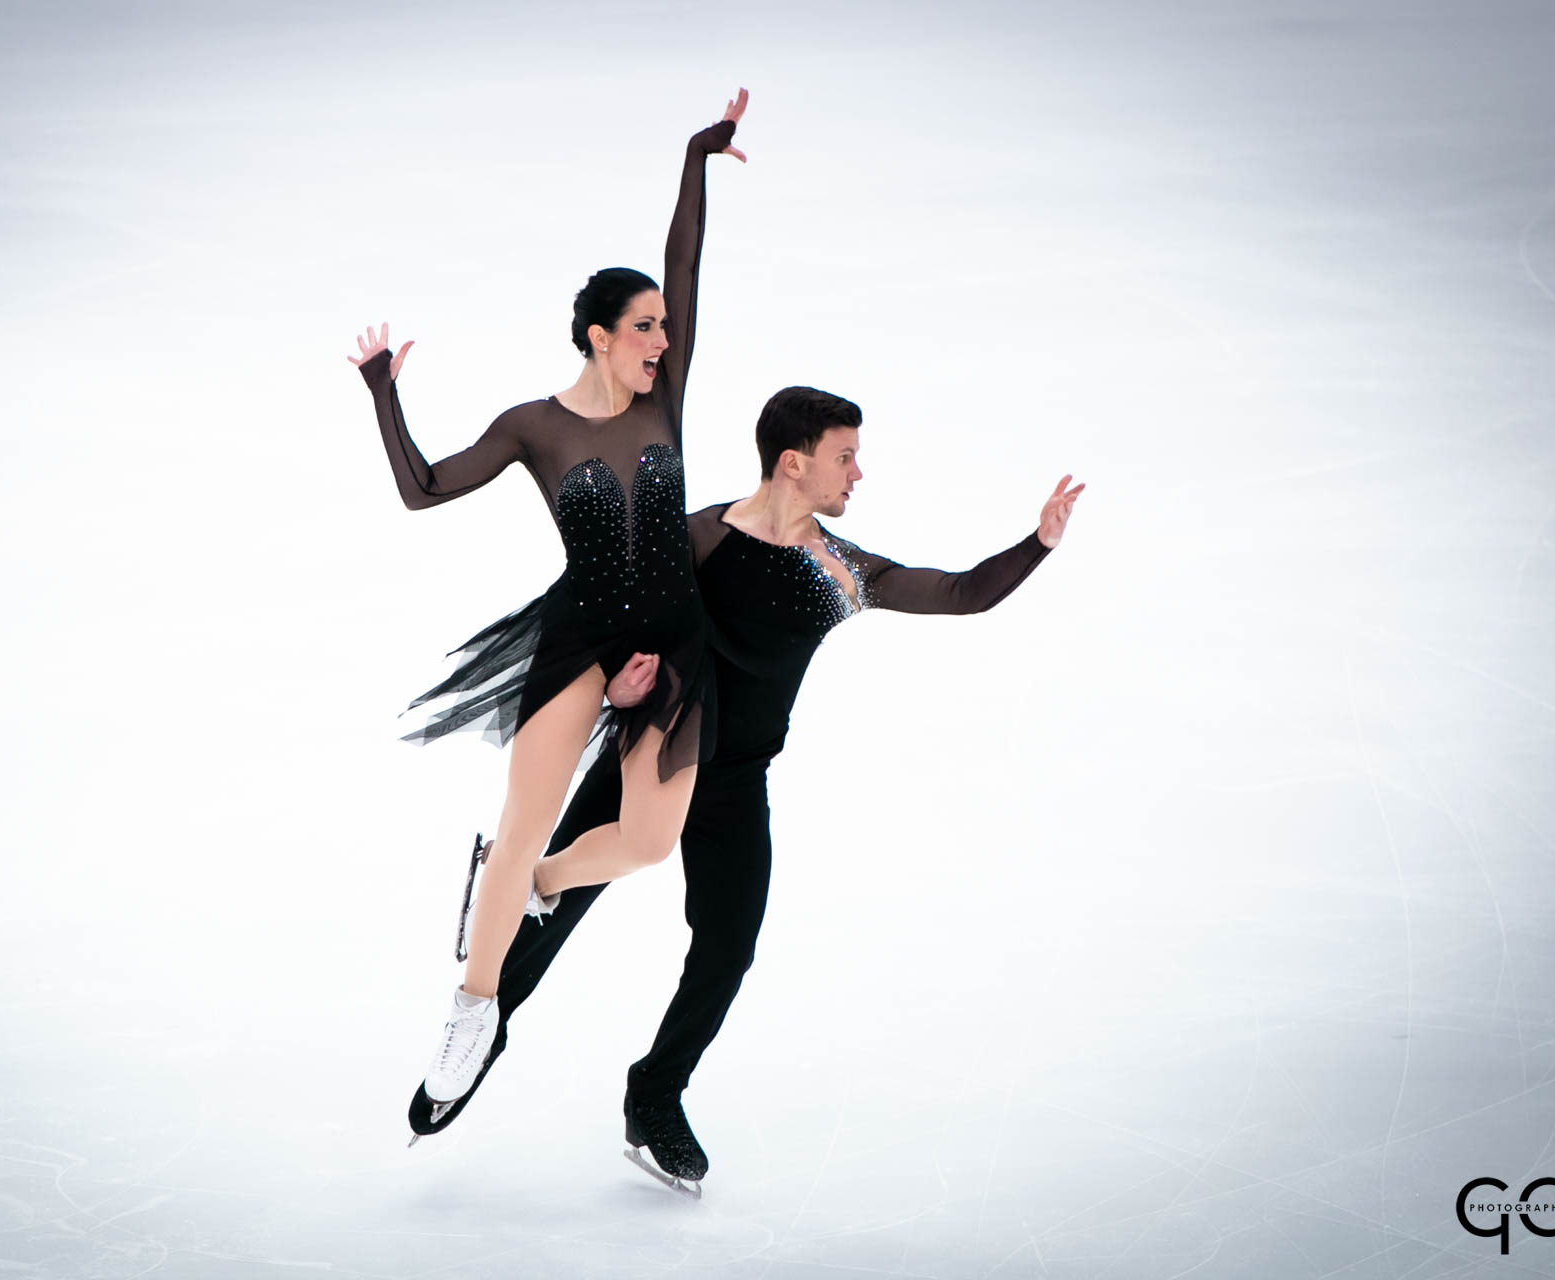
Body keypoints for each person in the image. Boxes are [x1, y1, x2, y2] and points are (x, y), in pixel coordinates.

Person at [406, 386, 1084, 1194]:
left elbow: (958, 593)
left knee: (727, 946)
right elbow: (615, 618)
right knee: (554, 909)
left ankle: (654, 1096)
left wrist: (1037, 544)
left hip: (733, 781)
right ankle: (481, 1032)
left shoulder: (840, 571)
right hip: (650, 754)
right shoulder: (695, 539)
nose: (858, 473)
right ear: (793, 463)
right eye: (845, 456)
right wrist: (617, 686)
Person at [348, 91, 750, 1112]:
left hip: (676, 638)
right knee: (522, 816)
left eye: (665, 326)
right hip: (582, 637)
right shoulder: (535, 426)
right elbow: (423, 488)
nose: (663, 338)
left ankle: (532, 879)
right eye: (645, 327)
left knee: (648, 842)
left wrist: (696, 157)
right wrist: (384, 392)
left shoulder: (665, 398)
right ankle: (473, 1007)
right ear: (599, 336)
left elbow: (688, 261)